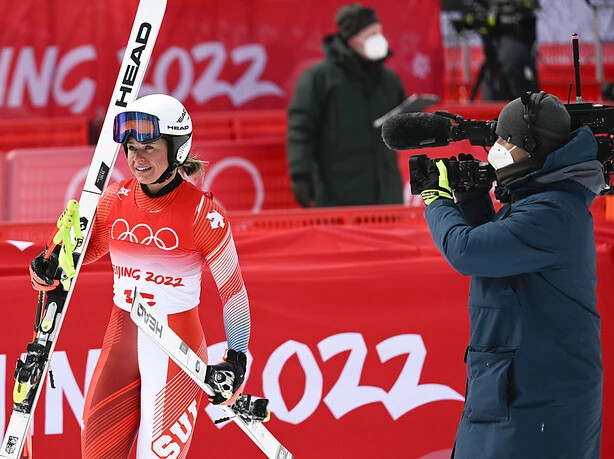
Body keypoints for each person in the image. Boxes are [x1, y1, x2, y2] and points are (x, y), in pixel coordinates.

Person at [29, 94, 251, 458]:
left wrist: (236, 359)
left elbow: (234, 294)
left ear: (178, 149)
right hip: (122, 339)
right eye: (130, 148)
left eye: (148, 146)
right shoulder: (114, 199)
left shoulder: (203, 214)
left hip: (175, 347)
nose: (137, 158)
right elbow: (78, 259)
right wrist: (47, 268)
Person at [418, 91, 604, 458]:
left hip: (539, 399)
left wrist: (435, 199)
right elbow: (501, 256)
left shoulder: (552, 212)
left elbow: (467, 252)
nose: (497, 149)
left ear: (532, 148)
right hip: (517, 388)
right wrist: (472, 201)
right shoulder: (539, 200)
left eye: (506, 140)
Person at [286, 3, 406, 207]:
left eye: (379, 33)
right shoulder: (319, 79)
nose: (379, 40)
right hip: (339, 194)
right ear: (352, 40)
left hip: (387, 193)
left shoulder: (389, 80)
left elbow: (403, 123)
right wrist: (300, 174)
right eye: (371, 35)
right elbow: (301, 128)